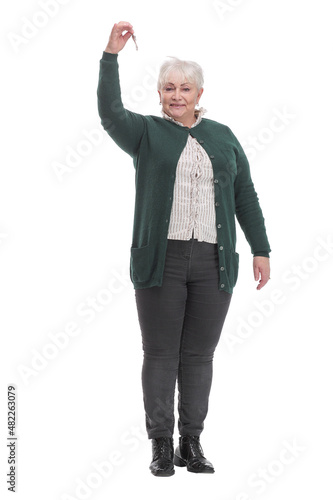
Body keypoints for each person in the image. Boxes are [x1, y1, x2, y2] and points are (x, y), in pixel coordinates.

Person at [97, 21, 271, 477]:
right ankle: (160, 444)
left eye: (185, 87)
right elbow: (110, 111)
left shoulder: (224, 136)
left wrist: (261, 248)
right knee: (160, 353)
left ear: (199, 93)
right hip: (162, 261)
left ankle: (190, 443)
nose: (177, 94)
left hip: (214, 262)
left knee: (198, 356)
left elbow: (245, 194)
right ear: (159, 94)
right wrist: (111, 56)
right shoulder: (146, 133)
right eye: (169, 87)